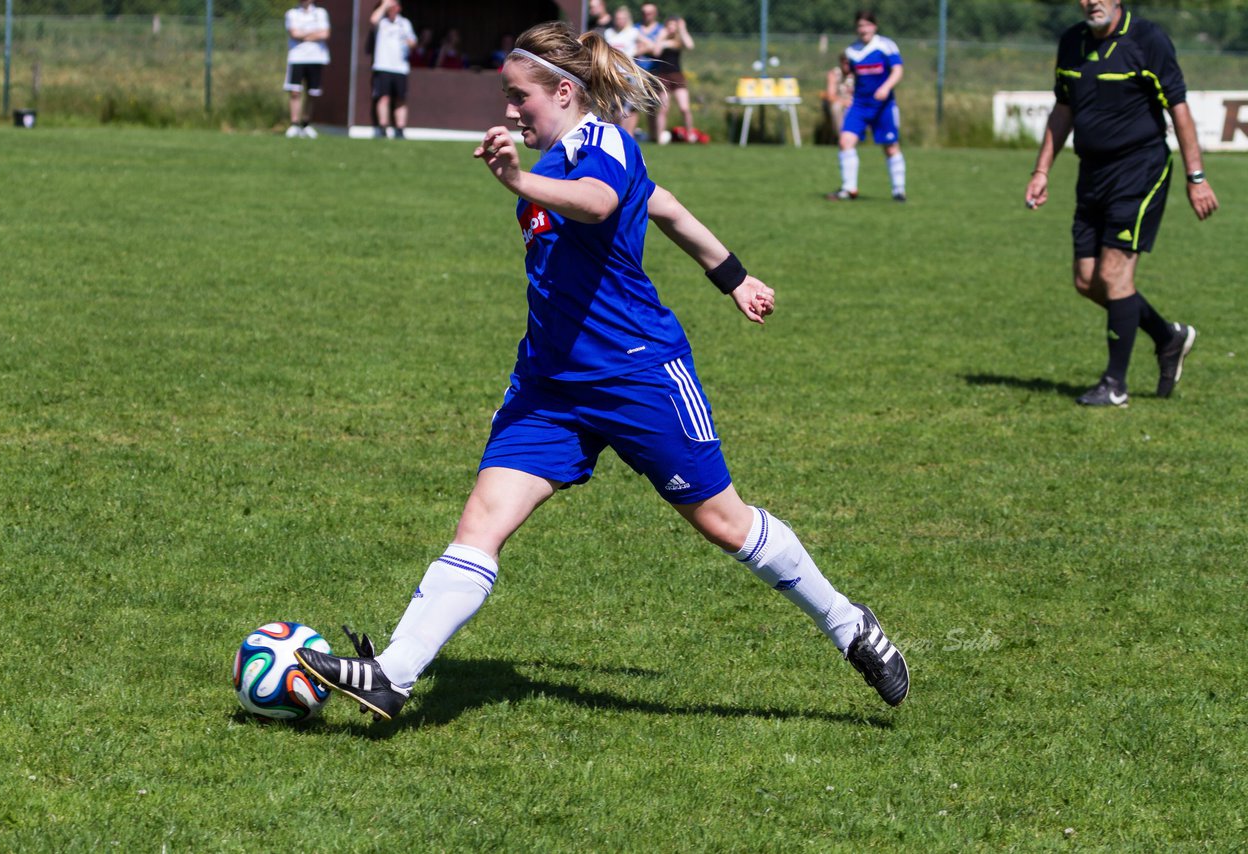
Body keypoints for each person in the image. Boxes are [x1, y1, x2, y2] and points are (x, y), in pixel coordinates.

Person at [294, 21, 910, 722]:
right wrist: (733, 276)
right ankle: (393, 675)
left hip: (637, 372)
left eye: (518, 96)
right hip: (550, 384)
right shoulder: (558, 153)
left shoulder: (601, 144)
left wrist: (518, 181)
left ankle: (847, 623)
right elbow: (664, 205)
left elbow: (604, 202)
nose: (509, 110)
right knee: (482, 521)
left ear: (563, 91)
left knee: (723, 522)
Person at [1025, 0, 1218, 406]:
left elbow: (1178, 108)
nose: (1093, 1)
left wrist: (1195, 176)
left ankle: (1115, 385)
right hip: (1092, 173)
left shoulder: (1147, 39)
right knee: (1086, 281)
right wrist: (1041, 170)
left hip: (1140, 170)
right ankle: (1168, 337)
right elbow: (1064, 109)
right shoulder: (1072, 42)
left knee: (1115, 276)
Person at [825, 11, 905, 201]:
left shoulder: (886, 46)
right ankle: (848, 189)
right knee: (845, 142)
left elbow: (898, 70)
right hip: (860, 105)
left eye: (867, 25)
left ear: (874, 27)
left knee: (890, 147)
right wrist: (839, 78)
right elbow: (849, 75)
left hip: (883, 106)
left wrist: (886, 87)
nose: (863, 29)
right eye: (860, 26)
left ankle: (898, 191)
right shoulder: (852, 51)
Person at [283, 0, 330, 139]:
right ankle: (294, 124)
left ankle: (306, 124)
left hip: (316, 58)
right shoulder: (291, 13)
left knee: (312, 92)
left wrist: (304, 35)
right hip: (297, 57)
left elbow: (325, 34)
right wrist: (314, 33)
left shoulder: (321, 13)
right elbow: (294, 33)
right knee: (295, 91)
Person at [369, 0, 416, 139]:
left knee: (401, 98)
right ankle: (382, 128)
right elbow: (373, 20)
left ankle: (400, 129)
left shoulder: (404, 23)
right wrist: (384, 5)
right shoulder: (382, 22)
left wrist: (409, 42)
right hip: (383, 66)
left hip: (400, 67)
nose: (392, 7)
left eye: (394, 5)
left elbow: (413, 42)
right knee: (383, 97)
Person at [651, 15, 696, 144]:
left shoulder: (679, 40)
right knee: (664, 109)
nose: (671, 28)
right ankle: (659, 138)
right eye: (669, 25)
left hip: (677, 75)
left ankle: (690, 135)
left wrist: (682, 29)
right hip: (663, 76)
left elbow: (690, 45)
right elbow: (656, 52)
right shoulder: (662, 39)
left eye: (674, 25)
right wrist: (661, 38)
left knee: (685, 108)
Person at [603, 6, 642, 137]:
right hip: (612, 74)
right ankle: (614, 133)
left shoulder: (633, 32)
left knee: (627, 108)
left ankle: (626, 134)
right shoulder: (609, 33)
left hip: (628, 75)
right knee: (613, 106)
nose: (619, 21)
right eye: (618, 18)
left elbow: (649, 44)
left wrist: (633, 54)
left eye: (622, 18)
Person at [823, 54, 854, 144]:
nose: (847, 65)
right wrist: (844, 102)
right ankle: (843, 138)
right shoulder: (834, 73)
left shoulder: (858, 73)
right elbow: (830, 95)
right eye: (845, 63)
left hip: (855, 102)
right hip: (838, 100)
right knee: (836, 107)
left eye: (849, 63)